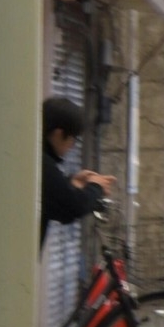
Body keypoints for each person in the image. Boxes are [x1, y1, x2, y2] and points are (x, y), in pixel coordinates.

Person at [41, 97, 115, 247]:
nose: (73, 145)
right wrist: (96, 187)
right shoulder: (43, 164)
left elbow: (55, 197)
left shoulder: (38, 159)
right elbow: (70, 207)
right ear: (58, 134)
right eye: (73, 139)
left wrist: (71, 183)